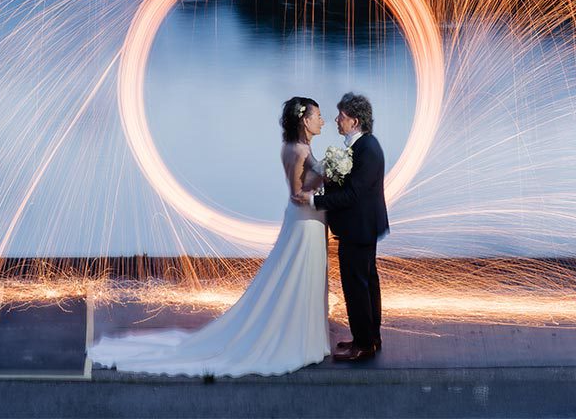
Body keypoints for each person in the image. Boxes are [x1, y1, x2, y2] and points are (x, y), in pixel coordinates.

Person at [88, 97, 331, 376]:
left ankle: (306, 339)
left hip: (309, 222)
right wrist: (326, 183)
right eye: (318, 115)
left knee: (304, 277)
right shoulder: (297, 150)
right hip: (304, 221)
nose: (322, 121)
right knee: (297, 277)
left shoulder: (300, 147)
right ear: (305, 119)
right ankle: (296, 341)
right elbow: (297, 195)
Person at [293, 92, 388, 362]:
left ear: (355, 121)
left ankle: (364, 344)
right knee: (367, 284)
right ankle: (369, 338)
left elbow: (353, 195)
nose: (336, 121)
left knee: (357, 287)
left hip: (359, 228)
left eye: (342, 117)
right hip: (362, 227)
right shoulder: (359, 147)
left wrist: (313, 200)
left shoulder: (366, 150)